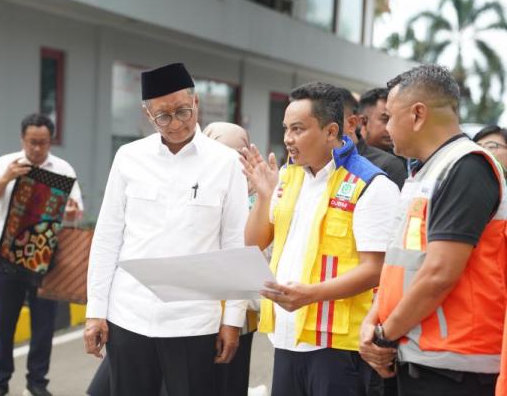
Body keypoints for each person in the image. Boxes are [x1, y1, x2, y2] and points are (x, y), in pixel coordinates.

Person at [84, 62, 248, 396]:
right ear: (148, 115)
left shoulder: (226, 163)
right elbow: (107, 237)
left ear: (196, 103)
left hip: (193, 321)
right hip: (128, 315)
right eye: (163, 116)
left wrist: (232, 320)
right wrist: (95, 312)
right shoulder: (129, 157)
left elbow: (235, 246)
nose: (175, 124)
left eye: (183, 111)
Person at [242, 81, 400, 396]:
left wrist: (311, 294)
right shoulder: (288, 176)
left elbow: (377, 269)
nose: (288, 138)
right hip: (287, 340)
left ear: (331, 131)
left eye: (298, 129)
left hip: (339, 349)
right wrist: (263, 195)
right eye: (286, 128)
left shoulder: (370, 184)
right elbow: (253, 243)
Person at [359, 64, 507, 396]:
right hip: (418, 353)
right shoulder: (423, 174)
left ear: (417, 114)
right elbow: (400, 265)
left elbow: (440, 272)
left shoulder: (467, 166)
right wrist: (374, 320)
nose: (387, 128)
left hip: (455, 366)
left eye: (390, 117)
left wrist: (385, 333)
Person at [0, 113, 84, 396]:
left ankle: (37, 385)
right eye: (32, 142)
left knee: (43, 328)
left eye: (43, 143)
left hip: (45, 261)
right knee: (2, 327)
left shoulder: (62, 169)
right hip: (6, 261)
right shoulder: (6, 164)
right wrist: (6, 178)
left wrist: (70, 213)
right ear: (23, 139)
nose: (37, 148)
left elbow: (76, 212)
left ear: (50, 141)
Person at [204, 121, 261, 396]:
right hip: (195, 311)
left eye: (239, 153)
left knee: (229, 382)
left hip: (240, 315)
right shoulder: (193, 186)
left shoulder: (259, 196)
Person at [338, 87, 407, 188]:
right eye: (385, 119)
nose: (390, 127)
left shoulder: (392, 164)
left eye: (394, 119)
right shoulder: (336, 156)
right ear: (363, 121)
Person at [359, 88, 394, 154]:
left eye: (394, 120)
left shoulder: (403, 162)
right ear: (364, 122)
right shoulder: (343, 153)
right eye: (385, 120)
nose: (391, 128)